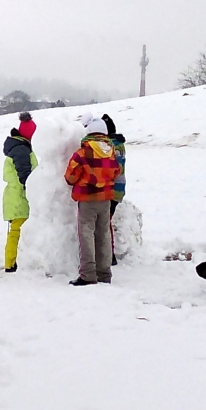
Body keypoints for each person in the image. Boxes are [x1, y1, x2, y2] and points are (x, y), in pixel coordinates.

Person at [63, 112, 122, 285]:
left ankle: (88, 275)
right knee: (103, 235)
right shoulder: (111, 151)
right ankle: (104, 274)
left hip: (87, 199)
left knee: (86, 235)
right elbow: (116, 171)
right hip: (106, 199)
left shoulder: (83, 153)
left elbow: (70, 177)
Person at [2, 112, 36, 272]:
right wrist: (33, 191)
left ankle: (10, 262)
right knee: (17, 230)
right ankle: (11, 264)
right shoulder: (21, 150)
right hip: (20, 196)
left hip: (14, 195)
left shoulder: (18, 147)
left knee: (15, 230)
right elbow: (25, 174)